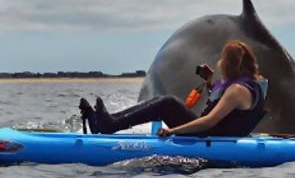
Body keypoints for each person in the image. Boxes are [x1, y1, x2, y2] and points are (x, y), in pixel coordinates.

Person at [79, 40, 268, 137]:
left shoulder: (236, 90)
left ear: (229, 65)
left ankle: (110, 125)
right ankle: (109, 121)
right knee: (162, 102)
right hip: (217, 133)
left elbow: (210, 121)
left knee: (168, 103)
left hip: (208, 135)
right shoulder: (251, 86)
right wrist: (210, 83)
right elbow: (229, 111)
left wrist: (172, 131)